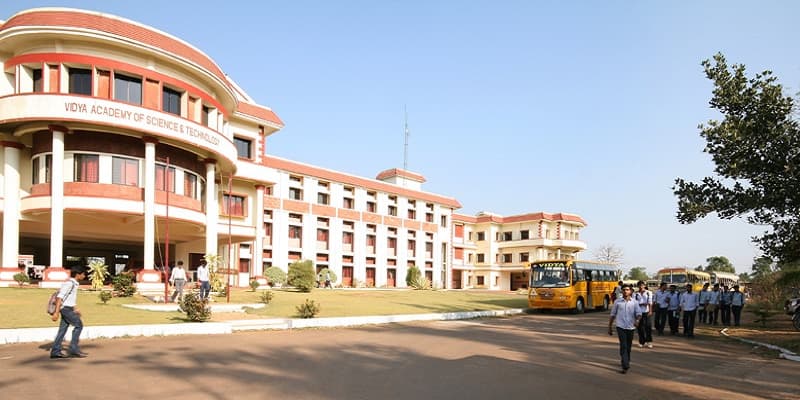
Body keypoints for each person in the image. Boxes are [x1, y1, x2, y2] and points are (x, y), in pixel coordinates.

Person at [50, 267, 88, 359]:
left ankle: (55, 351)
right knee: (79, 325)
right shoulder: (69, 283)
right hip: (65, 309)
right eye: (83, 274)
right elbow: (60, 298)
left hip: (68, 308)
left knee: (62, 330)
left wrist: (75, 308)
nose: (84, 276)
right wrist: (56, 312)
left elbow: (69, 298)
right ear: (78, 274)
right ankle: (73, 349)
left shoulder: (73, 284)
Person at [608, 284, 642, 374]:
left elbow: (639, 313)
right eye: (624, 290)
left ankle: (626, 360)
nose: (625, 291)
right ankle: (625, 365)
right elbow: (612, 315)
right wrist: (610, 327)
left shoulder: (634, 302)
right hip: (620, 326)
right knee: (623, 345)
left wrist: (637, 320)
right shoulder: (617, 302)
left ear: (630, 291)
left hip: (631, 327)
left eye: (627, 290)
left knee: (628, 346)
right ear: (621, 291)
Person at [634, 281, 653, 348]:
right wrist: (641, 304)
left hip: (647, 311)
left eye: (642, 285)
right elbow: (634, 303)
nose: (641, 286)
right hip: (639, 312)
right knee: (640, 327)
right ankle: (642, 341)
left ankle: (649, 341)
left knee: (648, 327)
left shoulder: (648, 292)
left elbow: (650, 302)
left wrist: (650, 311)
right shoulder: (636, 294)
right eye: (639, 285)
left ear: (644, 285)